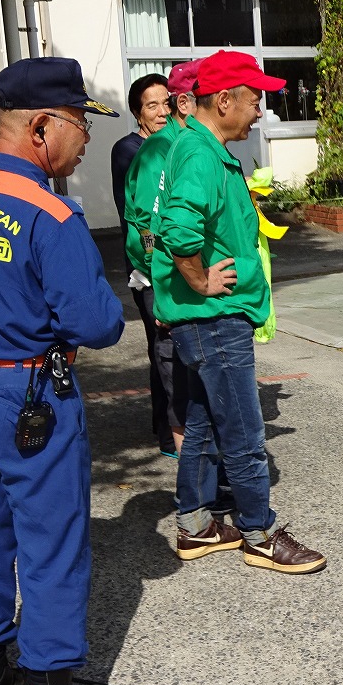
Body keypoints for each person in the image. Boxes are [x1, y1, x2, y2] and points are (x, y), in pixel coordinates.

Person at [0, 57, 124, 685]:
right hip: (26, 394)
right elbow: (97, 323)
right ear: (41, 127)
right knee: (52, 541)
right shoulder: (50, 214)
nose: (85, 138)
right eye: (80, 122)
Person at [151, 50, 326, 573]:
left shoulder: (202, 149)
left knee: (203, 423)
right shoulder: (201, 155)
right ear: (223, 100)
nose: (260, 112)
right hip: (215, 315)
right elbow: (177, 228)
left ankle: (196, 525)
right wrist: (200, 280)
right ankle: (260, 533)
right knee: (243, 431)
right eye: (255, 100)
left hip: (207, 315)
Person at [123, 60, 201, 461]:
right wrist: (159, 273)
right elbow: (145, 224)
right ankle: (183, 453)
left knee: (187, 364)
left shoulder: (191, 143)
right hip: (162, 278)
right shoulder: (157, 149)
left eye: (163, 102)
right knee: (171, 360)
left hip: (188, 276)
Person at [110, 72, 175, 456]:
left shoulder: (173, 143)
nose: (162, 111)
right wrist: (150, 258)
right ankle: (169, 431)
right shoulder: (130, 150)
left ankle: (165, 422)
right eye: (152, 105)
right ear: (138, 113)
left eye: (166, 102)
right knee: (162, 343)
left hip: (173, 261)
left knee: (167, 343)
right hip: (145, 264)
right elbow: (140, 218)